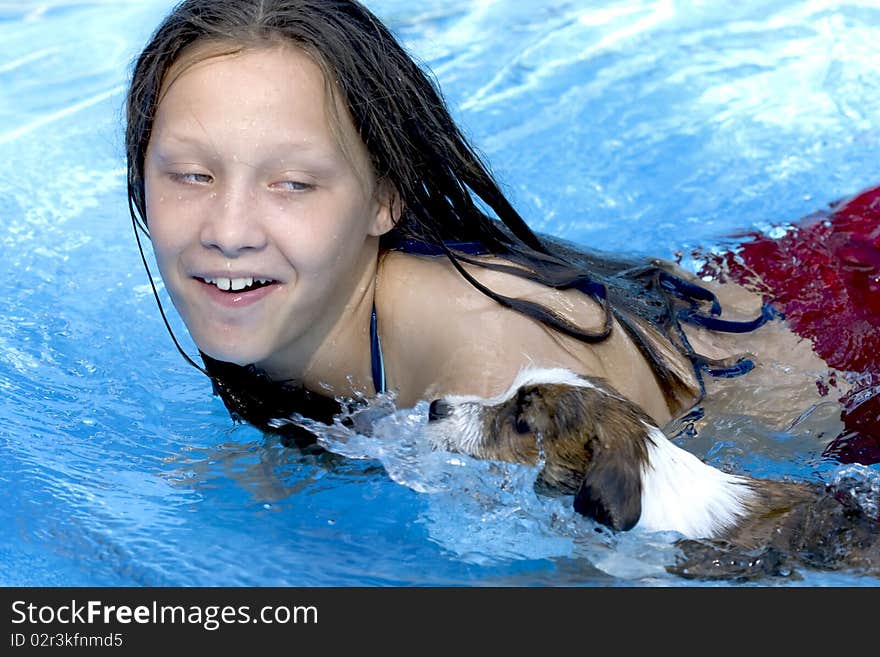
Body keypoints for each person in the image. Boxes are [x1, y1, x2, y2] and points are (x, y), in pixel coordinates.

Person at [124, 0, 868, 459]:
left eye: (292, 183)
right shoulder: (294, 300)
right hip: (745, 287)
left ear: (384, 198)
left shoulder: (497, 378)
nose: (227, 229)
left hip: (844, 364)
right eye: (191, 174)